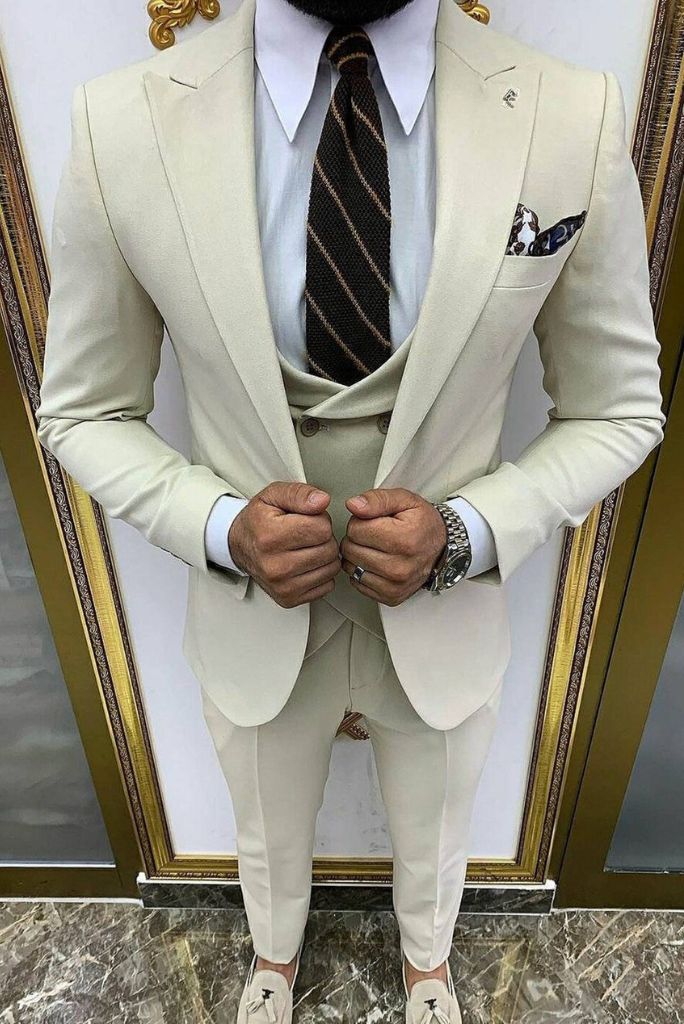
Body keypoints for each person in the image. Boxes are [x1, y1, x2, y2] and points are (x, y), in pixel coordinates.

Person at [36, 0, 667, 1020]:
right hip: (251, 613)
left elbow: (619, 408)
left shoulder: (568, 115)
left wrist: (465, 533)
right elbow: (82, 409)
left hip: (445, 611)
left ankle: (429, 966)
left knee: (440, 828)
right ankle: (273, 959)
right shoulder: (121, 124)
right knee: (263, 830)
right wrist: (218, 526)